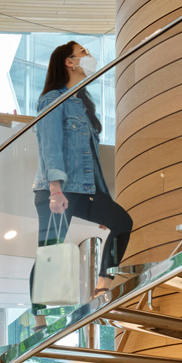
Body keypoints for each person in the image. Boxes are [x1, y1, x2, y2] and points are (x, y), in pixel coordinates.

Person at [33, 41, 133, 294]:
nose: (89, 57)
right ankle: (40, 316)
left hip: (85, 189)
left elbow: (92, 160)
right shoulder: (52, 100)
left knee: (121, 222)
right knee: (51, 252)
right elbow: (50, 147)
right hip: (58, 189)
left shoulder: (83, 107)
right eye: (83, 53)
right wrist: (55, 190)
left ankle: (103, 285)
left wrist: (103, 198)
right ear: (69, 62)